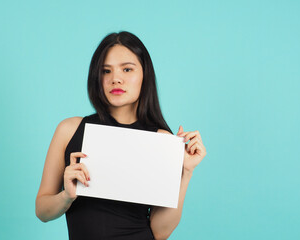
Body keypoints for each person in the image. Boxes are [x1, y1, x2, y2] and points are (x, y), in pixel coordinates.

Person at [35, 31, 207, 240]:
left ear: (145, 74)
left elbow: (160, 232)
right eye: (106, 71)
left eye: (127, 69)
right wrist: (66, 197)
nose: (116, 79)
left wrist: (186, 172)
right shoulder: (69, 130)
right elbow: (42, 211)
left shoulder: (161, 140)